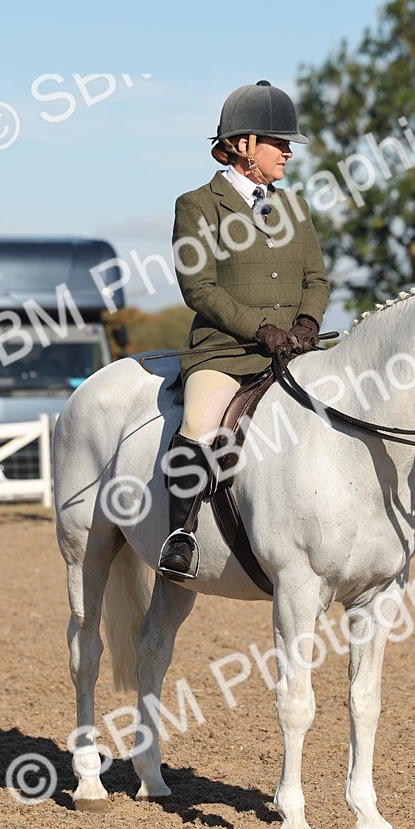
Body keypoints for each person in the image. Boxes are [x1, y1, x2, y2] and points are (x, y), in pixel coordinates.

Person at [157, 79, 330, 578]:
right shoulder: (198, 206)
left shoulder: (294, 208)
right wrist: (260, 328)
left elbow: (316, 278)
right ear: (245, 144)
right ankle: (181, 536)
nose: (288, 153)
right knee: (201, 422)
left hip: (292, 351)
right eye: (280, 143)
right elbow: (200, 288)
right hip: (227, 352)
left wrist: (306, 321)